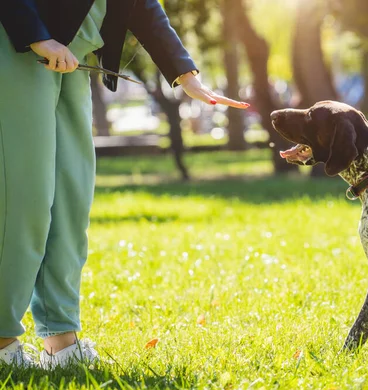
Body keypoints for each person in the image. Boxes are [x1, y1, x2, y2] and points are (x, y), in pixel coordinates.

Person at [0, 0, 248, 369]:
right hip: (19, 47)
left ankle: (60, 337)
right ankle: (3, 339)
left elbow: (143, 5)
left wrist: (186, 74)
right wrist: (37, 37)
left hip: (73, 58)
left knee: (72, 199)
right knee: (24, 197)